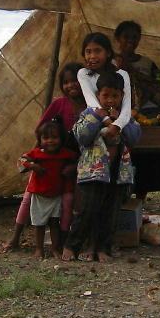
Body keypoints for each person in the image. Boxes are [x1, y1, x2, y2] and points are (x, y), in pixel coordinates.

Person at [1, 62, 85, 252]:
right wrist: (35, 158)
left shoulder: (91, 104)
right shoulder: (59, 104)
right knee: (29, 197)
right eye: (66, 82)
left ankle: (63, 243)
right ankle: (15, 238)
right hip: (50, 160)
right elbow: (41, 130)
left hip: (75, 161)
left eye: (75, 81)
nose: (71, 85)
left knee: (68, 203)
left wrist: (75, 166)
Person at [62, 71, 141, 263]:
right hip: (93, 172)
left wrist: (120, 122)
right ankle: (72, 245)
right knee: (87, 210)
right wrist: (98, 118)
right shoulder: (89, 114)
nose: (110, 100)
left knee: (110, 212)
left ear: (122, 96)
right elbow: (81, 136)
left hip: (117, 173)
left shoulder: (125, 118)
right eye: (105, 96)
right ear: (98, 96)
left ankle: (103, 247)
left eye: (115, 96)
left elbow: (134, 138)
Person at [112, 21, 160, 202]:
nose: (131, 41)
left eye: (135, 37)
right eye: (126, 37)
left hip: (145, 116)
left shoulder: (147, 63)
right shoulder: (111, 62)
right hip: (119, 116)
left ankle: (140, 203)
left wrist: (135, 75)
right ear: (118, 39)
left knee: (147, 158)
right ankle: (122, 201)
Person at [17, 119, 78, 259]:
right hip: (39, 193)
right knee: (39, 224)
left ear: (61, 139)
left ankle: (55, 249)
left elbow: (79, 161)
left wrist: (72, 168)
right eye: (46, 138)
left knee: (54, 223)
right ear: (40, 139)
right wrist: (32, 166)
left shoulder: (66, 153)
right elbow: (21, 160)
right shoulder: (37, 153)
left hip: (56, 194)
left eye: (54, 137)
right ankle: (39, 249)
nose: (50, 141)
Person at [77, 32, 132, 141]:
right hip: (96, 121)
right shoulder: (84, 73)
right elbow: (92, 103)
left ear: (108, 53)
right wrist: (108, 122)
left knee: (134, 131)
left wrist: (117, 125)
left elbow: (126, 107)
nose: (92, 56)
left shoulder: (122, 74)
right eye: (88, 52)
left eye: (97, 51)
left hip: (117, 119)